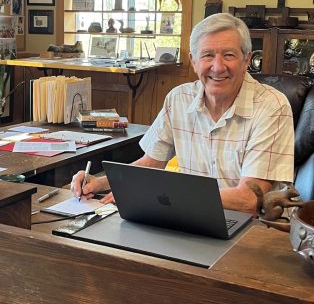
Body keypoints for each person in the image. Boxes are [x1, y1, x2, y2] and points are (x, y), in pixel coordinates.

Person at [71, 13, 295, 214]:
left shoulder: (272, 106)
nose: (217, 67)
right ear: (194, 62)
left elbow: (248, 200)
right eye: (207, 55)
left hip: (252, 229)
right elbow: (151, 163)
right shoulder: (178, 99)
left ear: (246, 60)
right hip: (190, 217)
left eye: (228, 55)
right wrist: (99, 183)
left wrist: (164, 194)